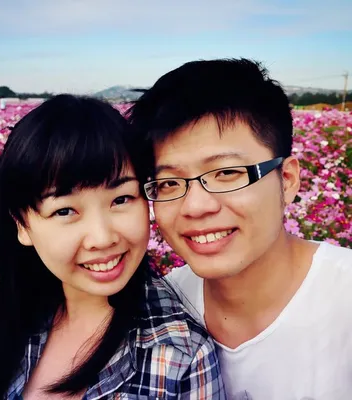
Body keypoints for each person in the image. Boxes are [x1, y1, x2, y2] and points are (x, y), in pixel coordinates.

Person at [0, 95, 225, 399]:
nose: (102, 238)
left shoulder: (180, 357)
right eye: (65, 211)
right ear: (22, 225)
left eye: (121, 199)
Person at [128, 59, 352, 400]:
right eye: (169, 182)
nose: (195, 206)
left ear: (287, 179)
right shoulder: (162, 308)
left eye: (227, 173)